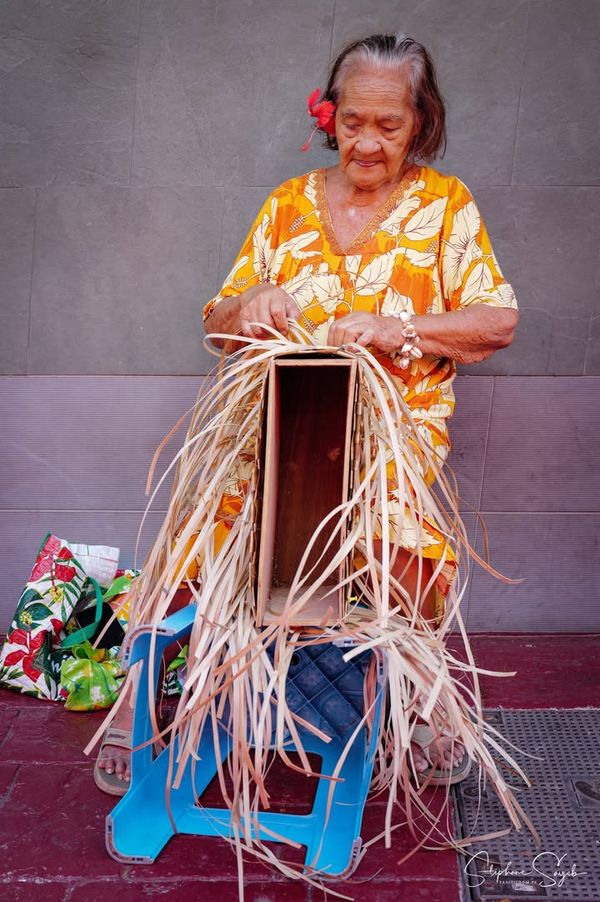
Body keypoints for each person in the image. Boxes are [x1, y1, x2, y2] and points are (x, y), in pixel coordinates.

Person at [95, 31, 519, 794]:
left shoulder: (446, 206)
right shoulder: (288, 207)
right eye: (353, 121)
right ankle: (143, 697)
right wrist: (247, 304)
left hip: (391, 434)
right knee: (205, 520)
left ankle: (424, 700)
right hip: (275, 426)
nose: (366, 141)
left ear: (419, 122)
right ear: (330, 116)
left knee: (398, 535)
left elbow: (497, 321)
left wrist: (405, 329)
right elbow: (216, 321)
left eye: (388, 125)